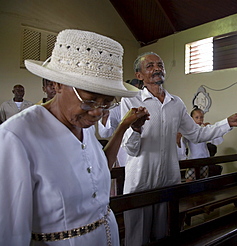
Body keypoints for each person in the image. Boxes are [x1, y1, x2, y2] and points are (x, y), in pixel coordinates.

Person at [0, 29, 149, 246]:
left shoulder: (81, 122)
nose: (98, 112)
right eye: (89, 100)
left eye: (107, 102)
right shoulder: (17, 137)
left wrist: (123, 127)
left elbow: (95, 171)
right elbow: (11, 233)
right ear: (56, 84)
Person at [120, 52, 237, 246]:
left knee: (164, 235)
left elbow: (197, 134)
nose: (157, 69)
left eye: (160, 65)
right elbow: (131, 149)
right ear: (139, 75)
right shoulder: (130, 102)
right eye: (150, 66)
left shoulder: (176, 103)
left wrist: (227, 123)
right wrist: (136, 128)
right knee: (137, 239)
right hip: (141, 182)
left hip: (168, 182)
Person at [184, 106, 224, 181]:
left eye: (201, 117)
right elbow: (182, 143)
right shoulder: (188, 131)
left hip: (204, 160)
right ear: (191, 119)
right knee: (189, 181)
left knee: (203, 181)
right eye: (197, 117)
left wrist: (211, 129)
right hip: (193, 160)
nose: (199, 119)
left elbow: (217, 141)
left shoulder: (204, 130)